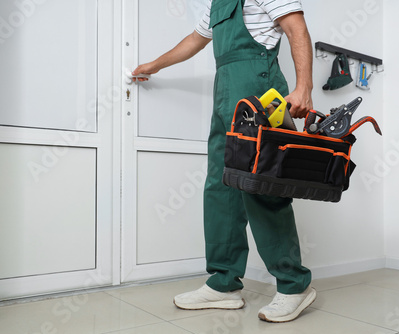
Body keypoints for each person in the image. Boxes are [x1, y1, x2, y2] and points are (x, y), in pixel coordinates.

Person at [133, 0, 315, 323]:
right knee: (221, 186)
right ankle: (224, 282)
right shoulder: (217, 3)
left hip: (259, 91)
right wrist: (154, 65)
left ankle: (293, 285)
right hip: (227, 97)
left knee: (262, 186)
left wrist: (304, 87)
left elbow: (296, 27)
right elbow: (194, 40)